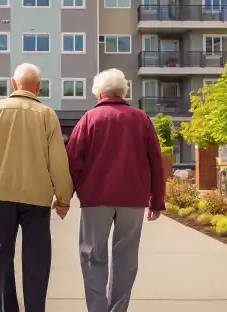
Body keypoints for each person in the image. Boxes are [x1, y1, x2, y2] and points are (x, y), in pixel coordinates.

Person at [0, 63, 73, 312]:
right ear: (39, 87)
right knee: (37, 259)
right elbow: (58, 159)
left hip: (0, 194)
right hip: (37, 197)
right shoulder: (47, 114)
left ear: (14, 85)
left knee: (1, 256)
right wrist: (64, 197)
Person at [66, 68, 166, 312]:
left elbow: (72, 161)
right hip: (132, 199)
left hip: (95, 200)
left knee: (92, 256)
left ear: (99, 93)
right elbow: (156, 162)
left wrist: (67, 195)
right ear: (123, 92)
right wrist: (157, 200)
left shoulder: (89, 119)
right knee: (126, 258)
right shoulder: (141, 119)